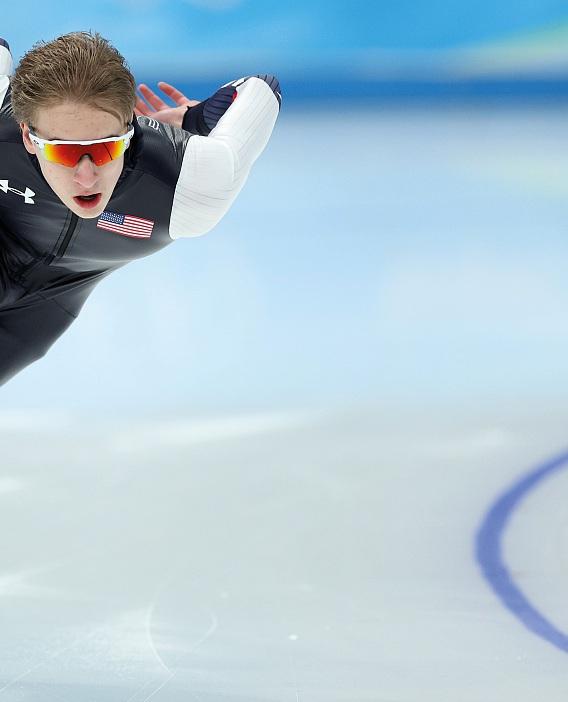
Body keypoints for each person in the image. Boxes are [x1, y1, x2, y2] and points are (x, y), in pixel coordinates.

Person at [0, 31, 281, 386]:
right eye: (62, 151)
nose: (86, 177)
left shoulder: (190, 183)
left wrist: (196, 121)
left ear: (129, 128)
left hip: (45, 308)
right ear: (28, 136)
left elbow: (261, 88)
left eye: (106, 148)